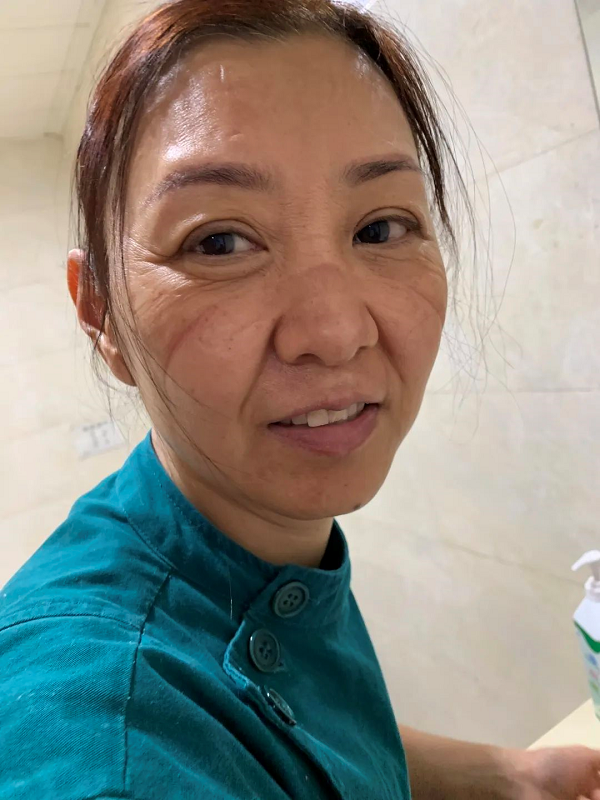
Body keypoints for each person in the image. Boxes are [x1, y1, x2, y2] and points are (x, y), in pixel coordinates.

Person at [0, 0, 598, 798]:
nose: (336, 332)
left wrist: (511, 776)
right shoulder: (104, 734)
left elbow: (285, 729)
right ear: (101, 313)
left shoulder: (238, 526)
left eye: (380, 228)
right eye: (219, 242)